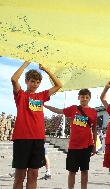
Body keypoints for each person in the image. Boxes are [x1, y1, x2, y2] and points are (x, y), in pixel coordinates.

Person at [11, 61, 62, 189]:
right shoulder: (21, 95)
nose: (35, 84)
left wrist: (46, 69)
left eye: (38, 82)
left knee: (33, 175)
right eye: (32, 81)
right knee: (19, 176)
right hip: (22, 139)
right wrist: (26, 62)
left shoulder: (41, 96)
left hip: (38, 139)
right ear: (27, 81)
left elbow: (58, 85)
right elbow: (13, 79)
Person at [45, 89, 97, 189]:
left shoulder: (93, 112)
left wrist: (94, 146)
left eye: (86, 97)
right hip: (74, 146)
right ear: (78, 98)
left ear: (90, 98)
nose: (84, 99)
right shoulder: (73, 109)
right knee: (72, 172)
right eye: (82, 97)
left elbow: (94, 130)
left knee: (84, 171)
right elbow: (59, 111)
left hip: (87, 145)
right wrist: (45, 105)